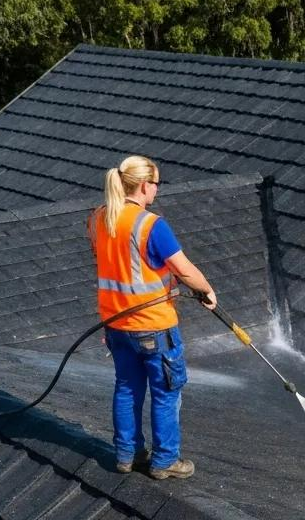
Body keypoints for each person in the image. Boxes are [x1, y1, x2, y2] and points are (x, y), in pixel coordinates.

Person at [89, 155, 217, 480]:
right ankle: (165, 461)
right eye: (156, 184)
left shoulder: (99, 218)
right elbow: (184, 270)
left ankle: (127, 456)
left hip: (116, 326)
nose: (156, 191)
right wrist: (207, 290)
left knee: (127, 388)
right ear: (145, 186)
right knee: (166, 392)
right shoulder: (150, 225)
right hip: (154, 327)